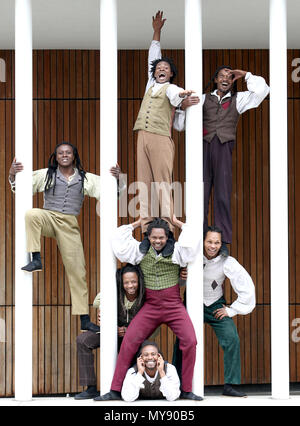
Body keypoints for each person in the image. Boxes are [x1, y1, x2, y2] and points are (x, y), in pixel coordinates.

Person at [8, 141, 125, 332]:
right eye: (60, 153)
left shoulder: (84, 178)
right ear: (56, 156)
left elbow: (111, 193)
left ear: (74, 156)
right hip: (48, 217)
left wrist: (118, 179)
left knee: (78, 272)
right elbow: (21, 188)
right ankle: (36, 259)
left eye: (68, 152)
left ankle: (84, 319)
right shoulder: (47, 174)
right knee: (31, 214)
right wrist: (13, 174)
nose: (64, 155)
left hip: (69, 224)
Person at [95, 216, 202, 402]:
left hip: (173, 305)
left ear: (168, 237)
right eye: (154, 238)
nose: (158, 241)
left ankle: (186, 389)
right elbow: (118, 240)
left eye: (162, 238)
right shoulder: (140, 251)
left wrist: (177, 223)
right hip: (150, 306)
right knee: (129, 340)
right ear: (148, 237)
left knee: (190, 341)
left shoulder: (177, 251)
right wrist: (137, 223)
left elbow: (192, 237)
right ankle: (114, 389)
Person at [174, 64, 270, 252]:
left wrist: (245, 74)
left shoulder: (239, 99)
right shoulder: (201, 99)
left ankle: (222, 240)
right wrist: (182, 107)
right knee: (200, 193)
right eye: (222, 76)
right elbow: (180, 125)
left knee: (223, 194)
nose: (225, 78)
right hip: (203, 146)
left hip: (224, 147)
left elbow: (263, 90)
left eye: (229, 76)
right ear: (216, 80)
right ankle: (199, 238)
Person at [174, 226, 256, 397]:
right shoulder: (191, 257)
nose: (213, 246)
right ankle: (178, 384)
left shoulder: (228, 261)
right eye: (209, 241)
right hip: (191, 304)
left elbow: (245, 285)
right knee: (183, 341)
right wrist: (181, 279)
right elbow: (178, 285)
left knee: (231, 338)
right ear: (203, 241)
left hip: (215, 305)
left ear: (221, 243)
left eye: (217, 242)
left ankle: (230, 385)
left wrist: (233, 310)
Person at [134, 11, 193, 235]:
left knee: (162, 182)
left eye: (165, 69)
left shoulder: (171, 89)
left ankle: (168, 227)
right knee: (145, 181)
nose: (161, 70)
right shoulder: (150, 84)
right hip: (143, 135)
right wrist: (156, 32)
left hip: (160, 138)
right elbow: (153, 56)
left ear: (171, 74)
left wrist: (182, 98)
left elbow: (177, 95)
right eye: (159, 68)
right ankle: (147, 228)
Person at [74, 264, 145, 400]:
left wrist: (130, 331)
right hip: (110, 331)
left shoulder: (145, 295)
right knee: (82, 340)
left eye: (134, 282)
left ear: (139, 281)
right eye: (126, 282)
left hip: (135, 336)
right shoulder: (115, 289)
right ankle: (90, 387)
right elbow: (96, 301)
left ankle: (135, 388)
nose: (130, 286)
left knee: (147, 347)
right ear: (121, 282)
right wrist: (105, 315)